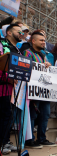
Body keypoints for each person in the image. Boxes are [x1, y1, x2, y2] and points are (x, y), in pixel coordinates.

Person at [23, 32, 56, 148]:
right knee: (33, 115)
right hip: (33, 89)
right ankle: (30, 139)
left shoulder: (43, 54)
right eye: (41, 40)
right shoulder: (27, 53)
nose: (43, 42)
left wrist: (47, 65)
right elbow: (25, 67)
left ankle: (42, 138)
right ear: (33, 41)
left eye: (44, 40)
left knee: (45, 114)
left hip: (44, 90)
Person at [0, 24, 22, 154]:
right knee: (4, 115)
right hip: (3, 86)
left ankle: (6, 141)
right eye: (18, 31)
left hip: (14, 88)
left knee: (9, 115)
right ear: (8, 32)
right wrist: (9, 76)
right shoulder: (2, 44)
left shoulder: (16, 49)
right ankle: (2, 143)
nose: (21, 33)